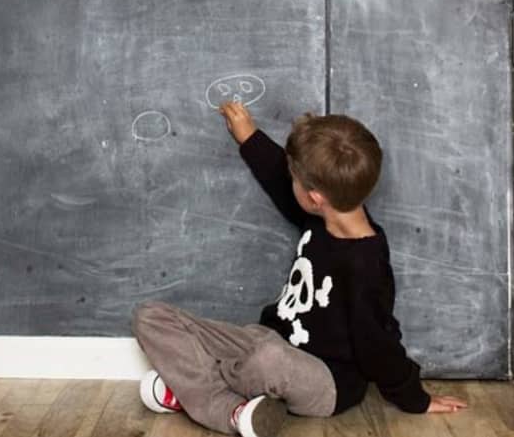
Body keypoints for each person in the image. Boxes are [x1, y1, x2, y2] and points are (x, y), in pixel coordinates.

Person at [132, 102, 467, 437]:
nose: (288, 180)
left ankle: (215, 404)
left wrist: (416, 399)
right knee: (150, 317)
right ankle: (213, 396)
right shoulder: (324, 213)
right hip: (267, 340)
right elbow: (282, 179)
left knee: (268, 359)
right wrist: (249, 136)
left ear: (315, 197)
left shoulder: (367, 265)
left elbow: (379, 345)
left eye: (296, 179)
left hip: (326, 380)